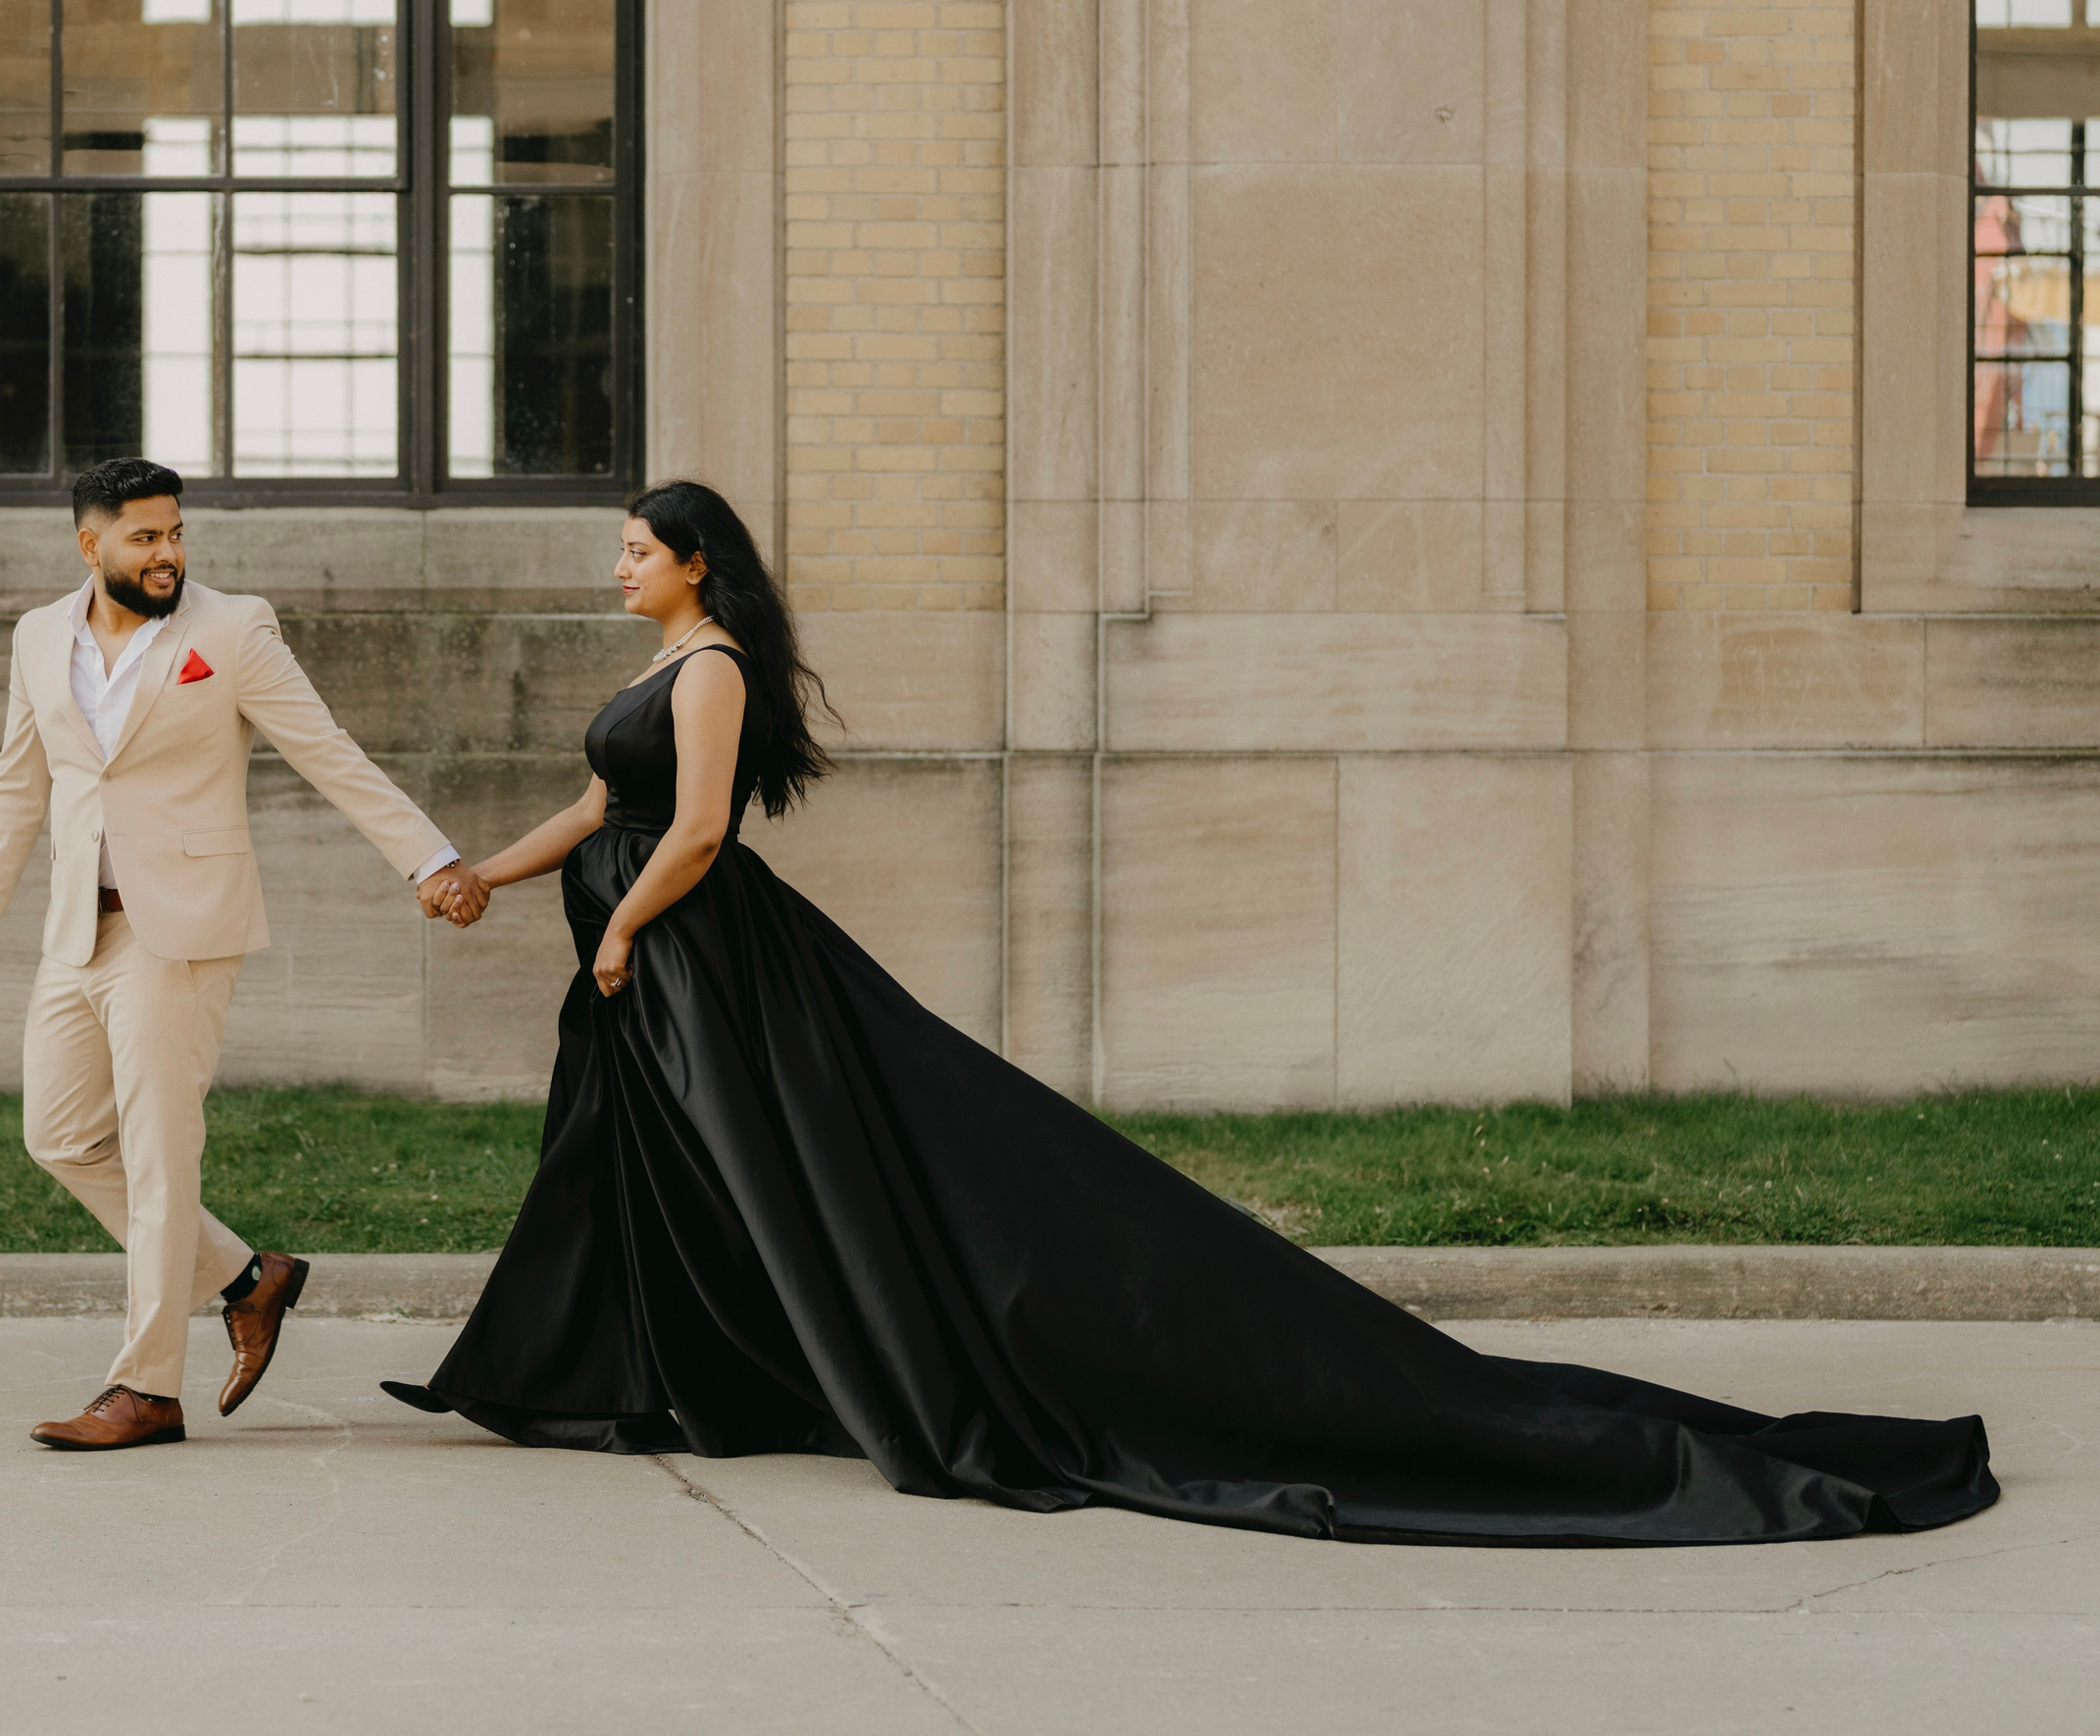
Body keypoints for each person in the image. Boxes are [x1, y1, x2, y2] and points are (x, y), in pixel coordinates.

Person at [386, 479, 2000, 1545]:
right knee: (645, 1174)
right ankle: (641, 1375)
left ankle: (829, 1373)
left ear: (695, 564)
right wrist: (485, 876)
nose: (616, 566)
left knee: (817, 1177)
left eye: (633, 549)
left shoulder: (716, 667)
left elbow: (688, 836)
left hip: (702, 962)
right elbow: (598, 817)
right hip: (649, 960)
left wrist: (619, 943)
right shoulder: (659, 673)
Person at [0, 459, 488, 1453]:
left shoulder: (231, 631)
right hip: (79, 927)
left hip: (181, 928)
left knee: (161, 1161)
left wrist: (429, 857)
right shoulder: (37, 637)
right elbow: (17, 784)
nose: (168, 554)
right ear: (90, 544)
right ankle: (249, 1277)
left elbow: (327, 748)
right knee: (58, 1137)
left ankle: (145, 1388)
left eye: (176, 534)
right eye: (145, 537)